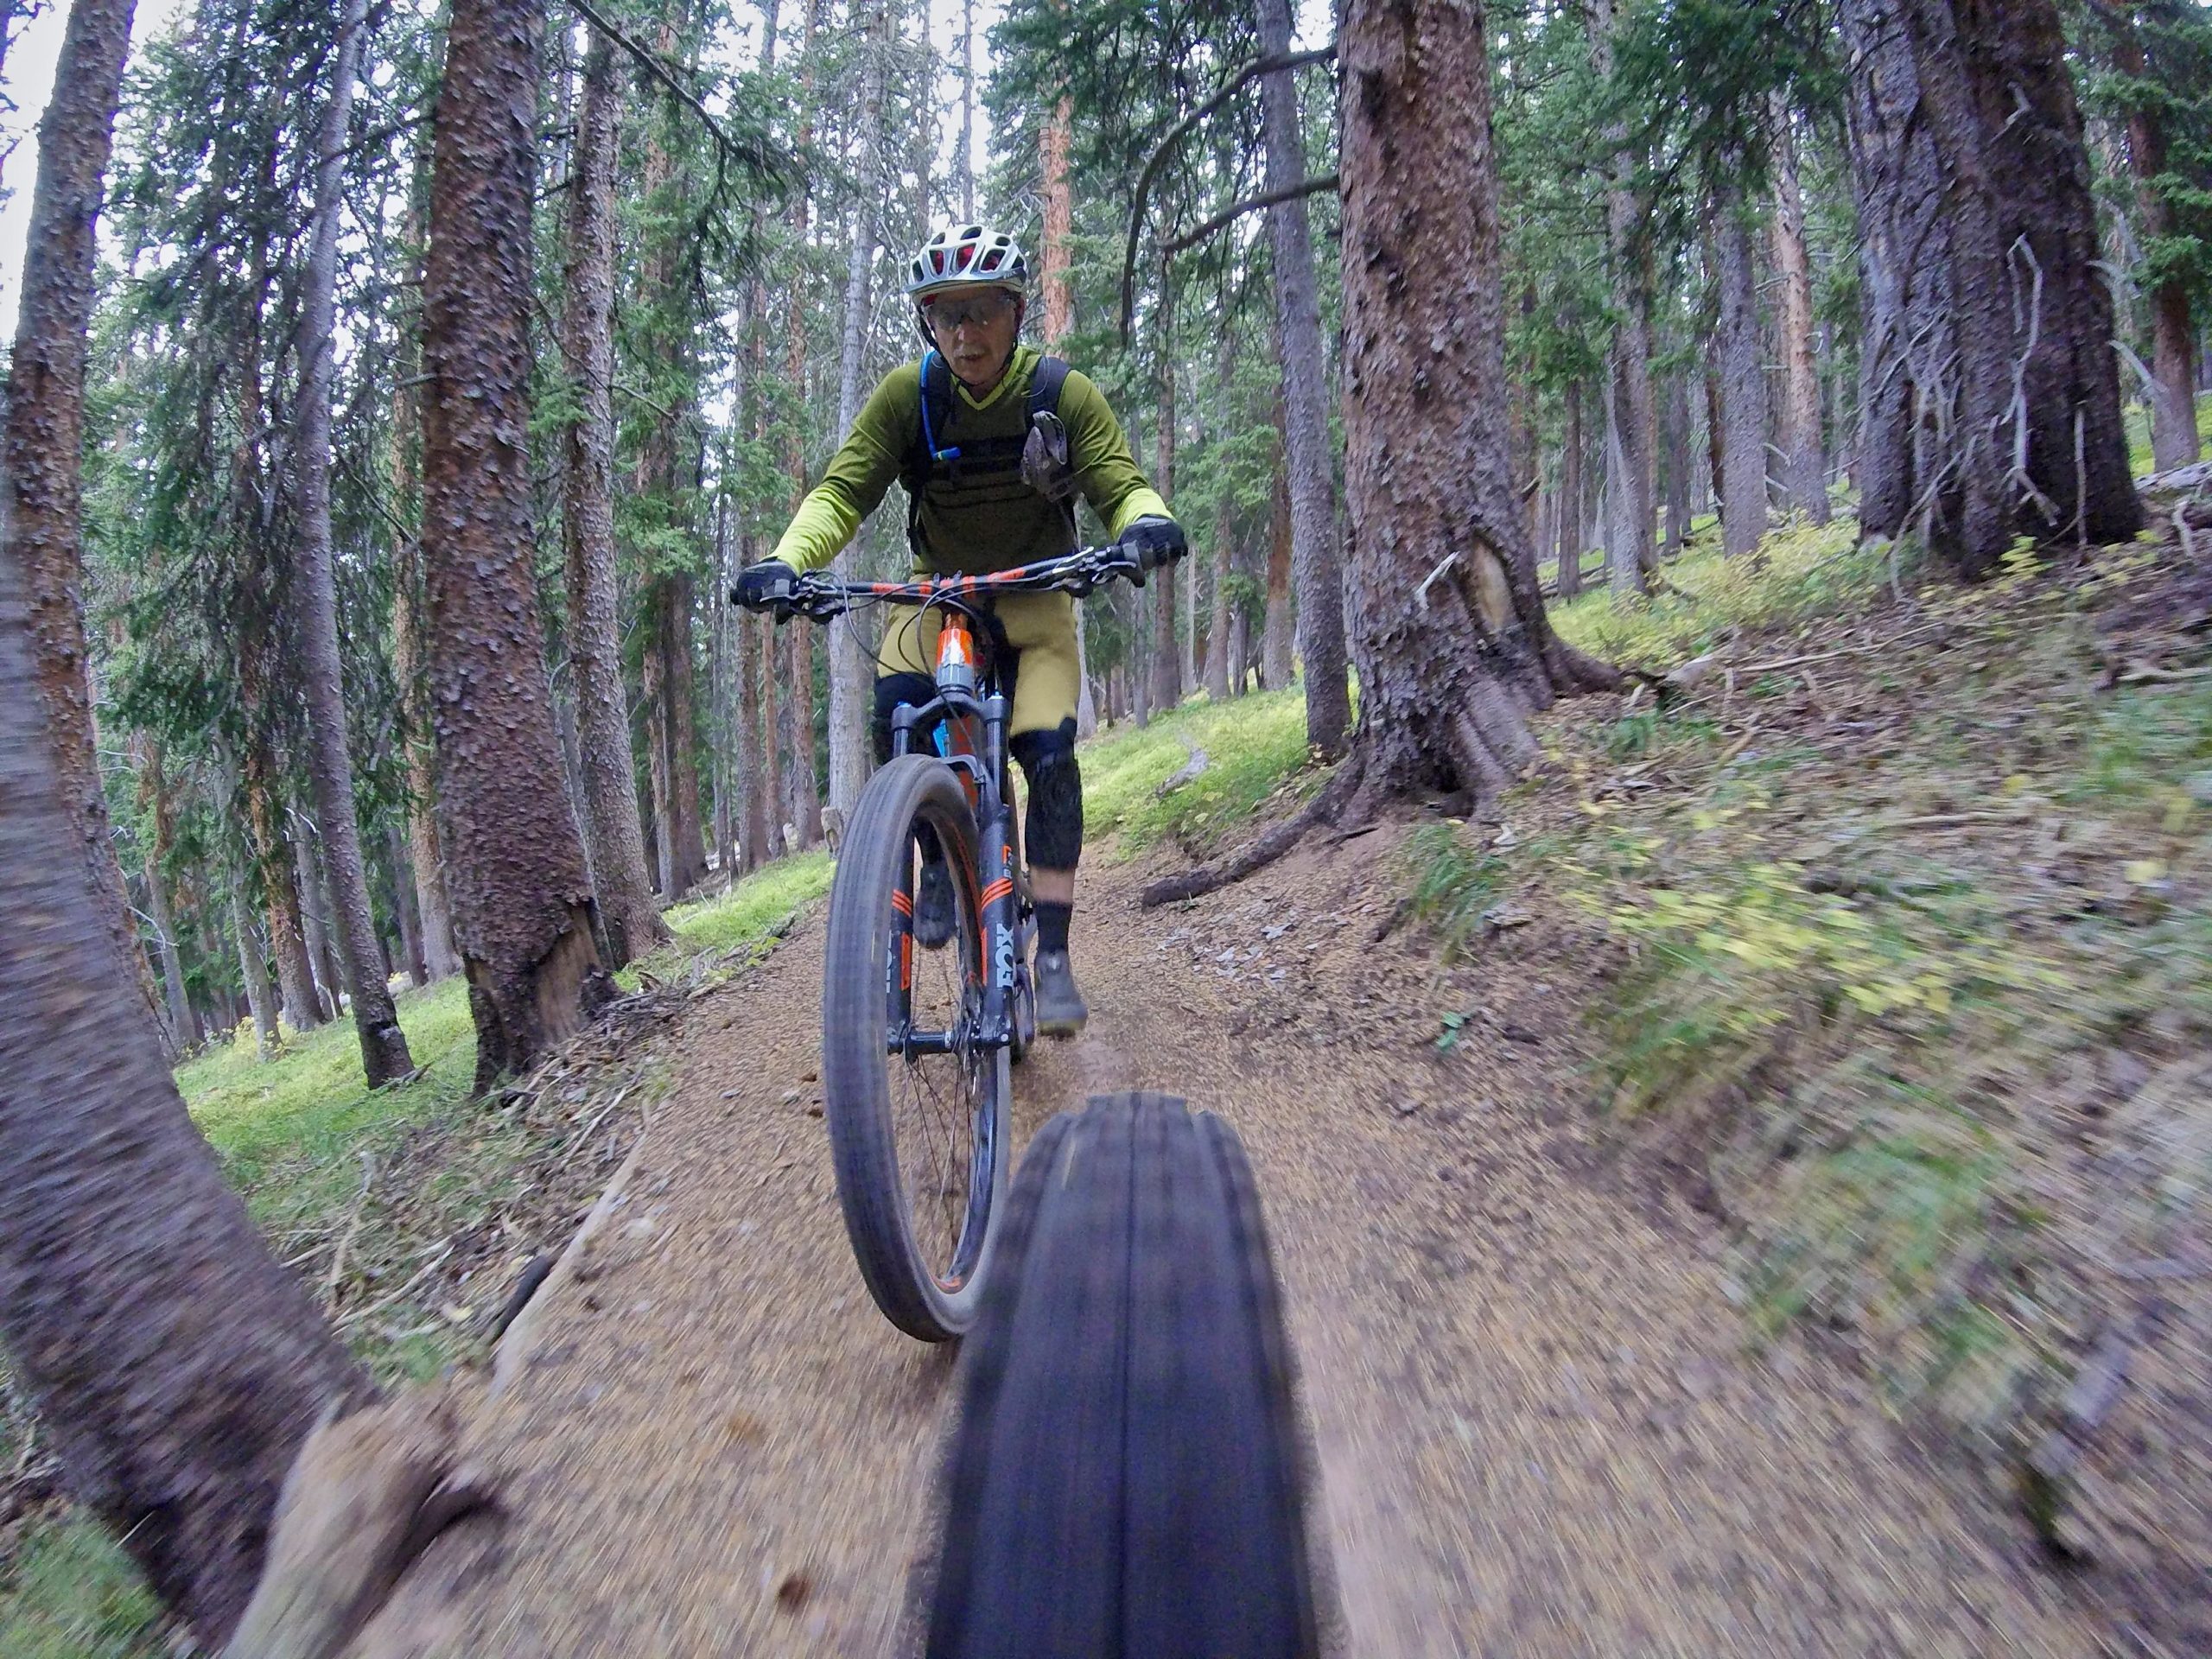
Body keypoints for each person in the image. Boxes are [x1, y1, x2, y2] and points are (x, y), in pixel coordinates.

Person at [736, 223, 1185, 1037]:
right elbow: (843, 492)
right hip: (937, 594)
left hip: (1038, 596)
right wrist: (785, 558)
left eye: (981, 312)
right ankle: (935, 847)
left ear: (1016, 313)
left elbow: (1123, 485)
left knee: (1048, 757)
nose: (964, 333)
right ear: (927, 324)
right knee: (900, 716)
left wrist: (1147, 525)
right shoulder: (909, 397)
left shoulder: (1060, 393)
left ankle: (1051, 953)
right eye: (946, 316)